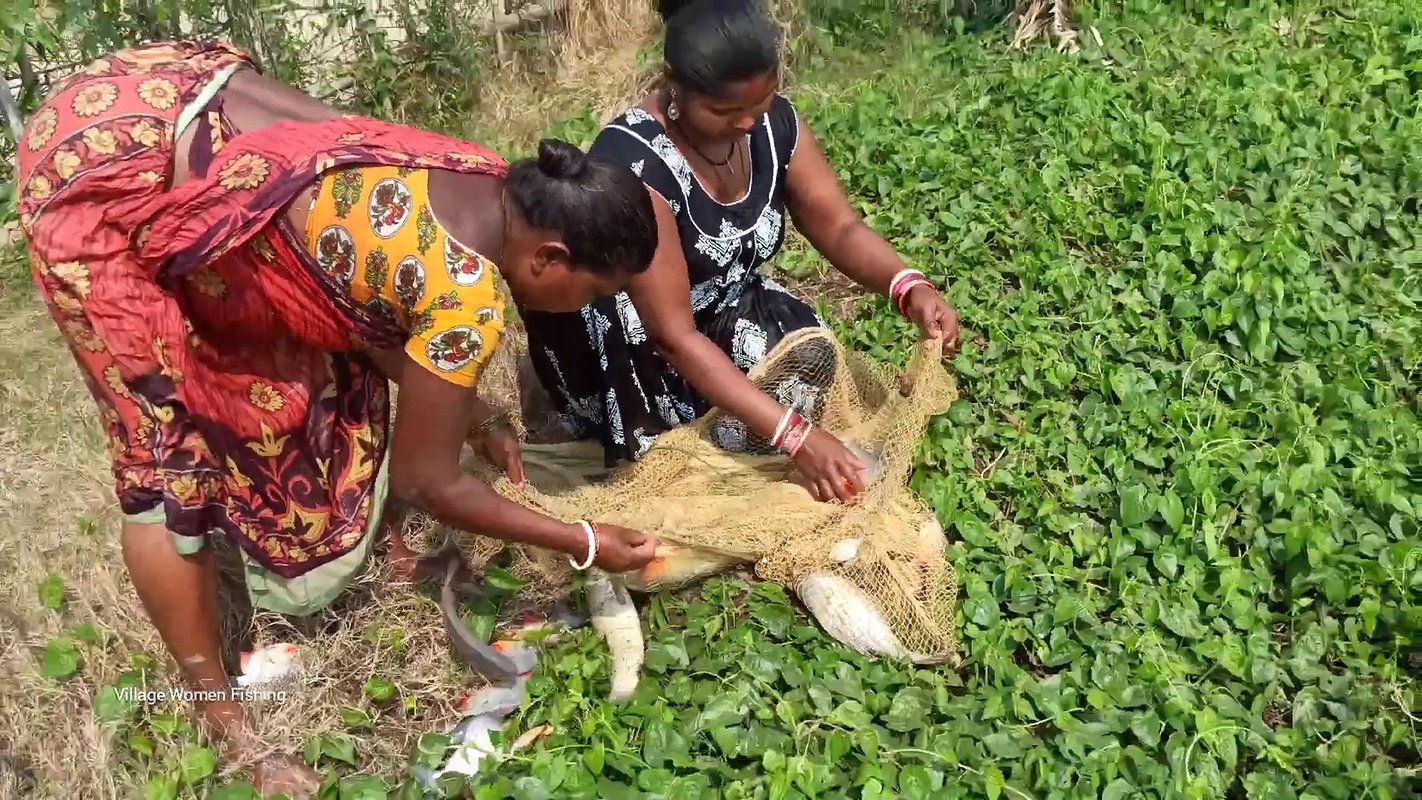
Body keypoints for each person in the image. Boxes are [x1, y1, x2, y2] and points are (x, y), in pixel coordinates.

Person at [16, 40, 659, 797]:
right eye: (591, 293)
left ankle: (382, 549)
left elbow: (359, 309)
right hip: (99, 172)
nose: (583, 309)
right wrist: (583, 539)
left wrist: (476, 412)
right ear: (548, 257)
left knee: (332, 363)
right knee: (163, 458)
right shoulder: (469, 295)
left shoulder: (482, 175)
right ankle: (223, 722)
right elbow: (427, 481)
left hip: (162, 88)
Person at [521, 0, 963, 505]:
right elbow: (672, 335)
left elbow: (840, 227)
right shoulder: (636, 164)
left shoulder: (773, 126)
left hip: (724, 304)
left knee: (806, 370)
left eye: (762, 103)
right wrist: (794, 436)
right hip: (640, 339)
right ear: (675, 88)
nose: (749, 123)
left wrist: (909, 285)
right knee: (691, 470)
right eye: (725, 112)